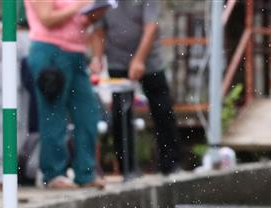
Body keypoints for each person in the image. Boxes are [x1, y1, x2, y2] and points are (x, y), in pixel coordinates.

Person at [92, 0, 183, 175]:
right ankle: (128, 167)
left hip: (149, 60)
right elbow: (98, 29)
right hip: (117, 60)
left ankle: (171, 163)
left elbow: (151, 28)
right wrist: (97, 57)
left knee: (162, 109)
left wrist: (139, 59)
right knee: (121, 112)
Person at [24, 0, 108, 189]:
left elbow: (82, 22)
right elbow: (47, 19)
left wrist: (94, 12)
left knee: (88, 112)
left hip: (77, 53)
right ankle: (54, 173)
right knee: (53, 114)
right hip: (50, 50)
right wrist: (78, 6)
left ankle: (86, 173)